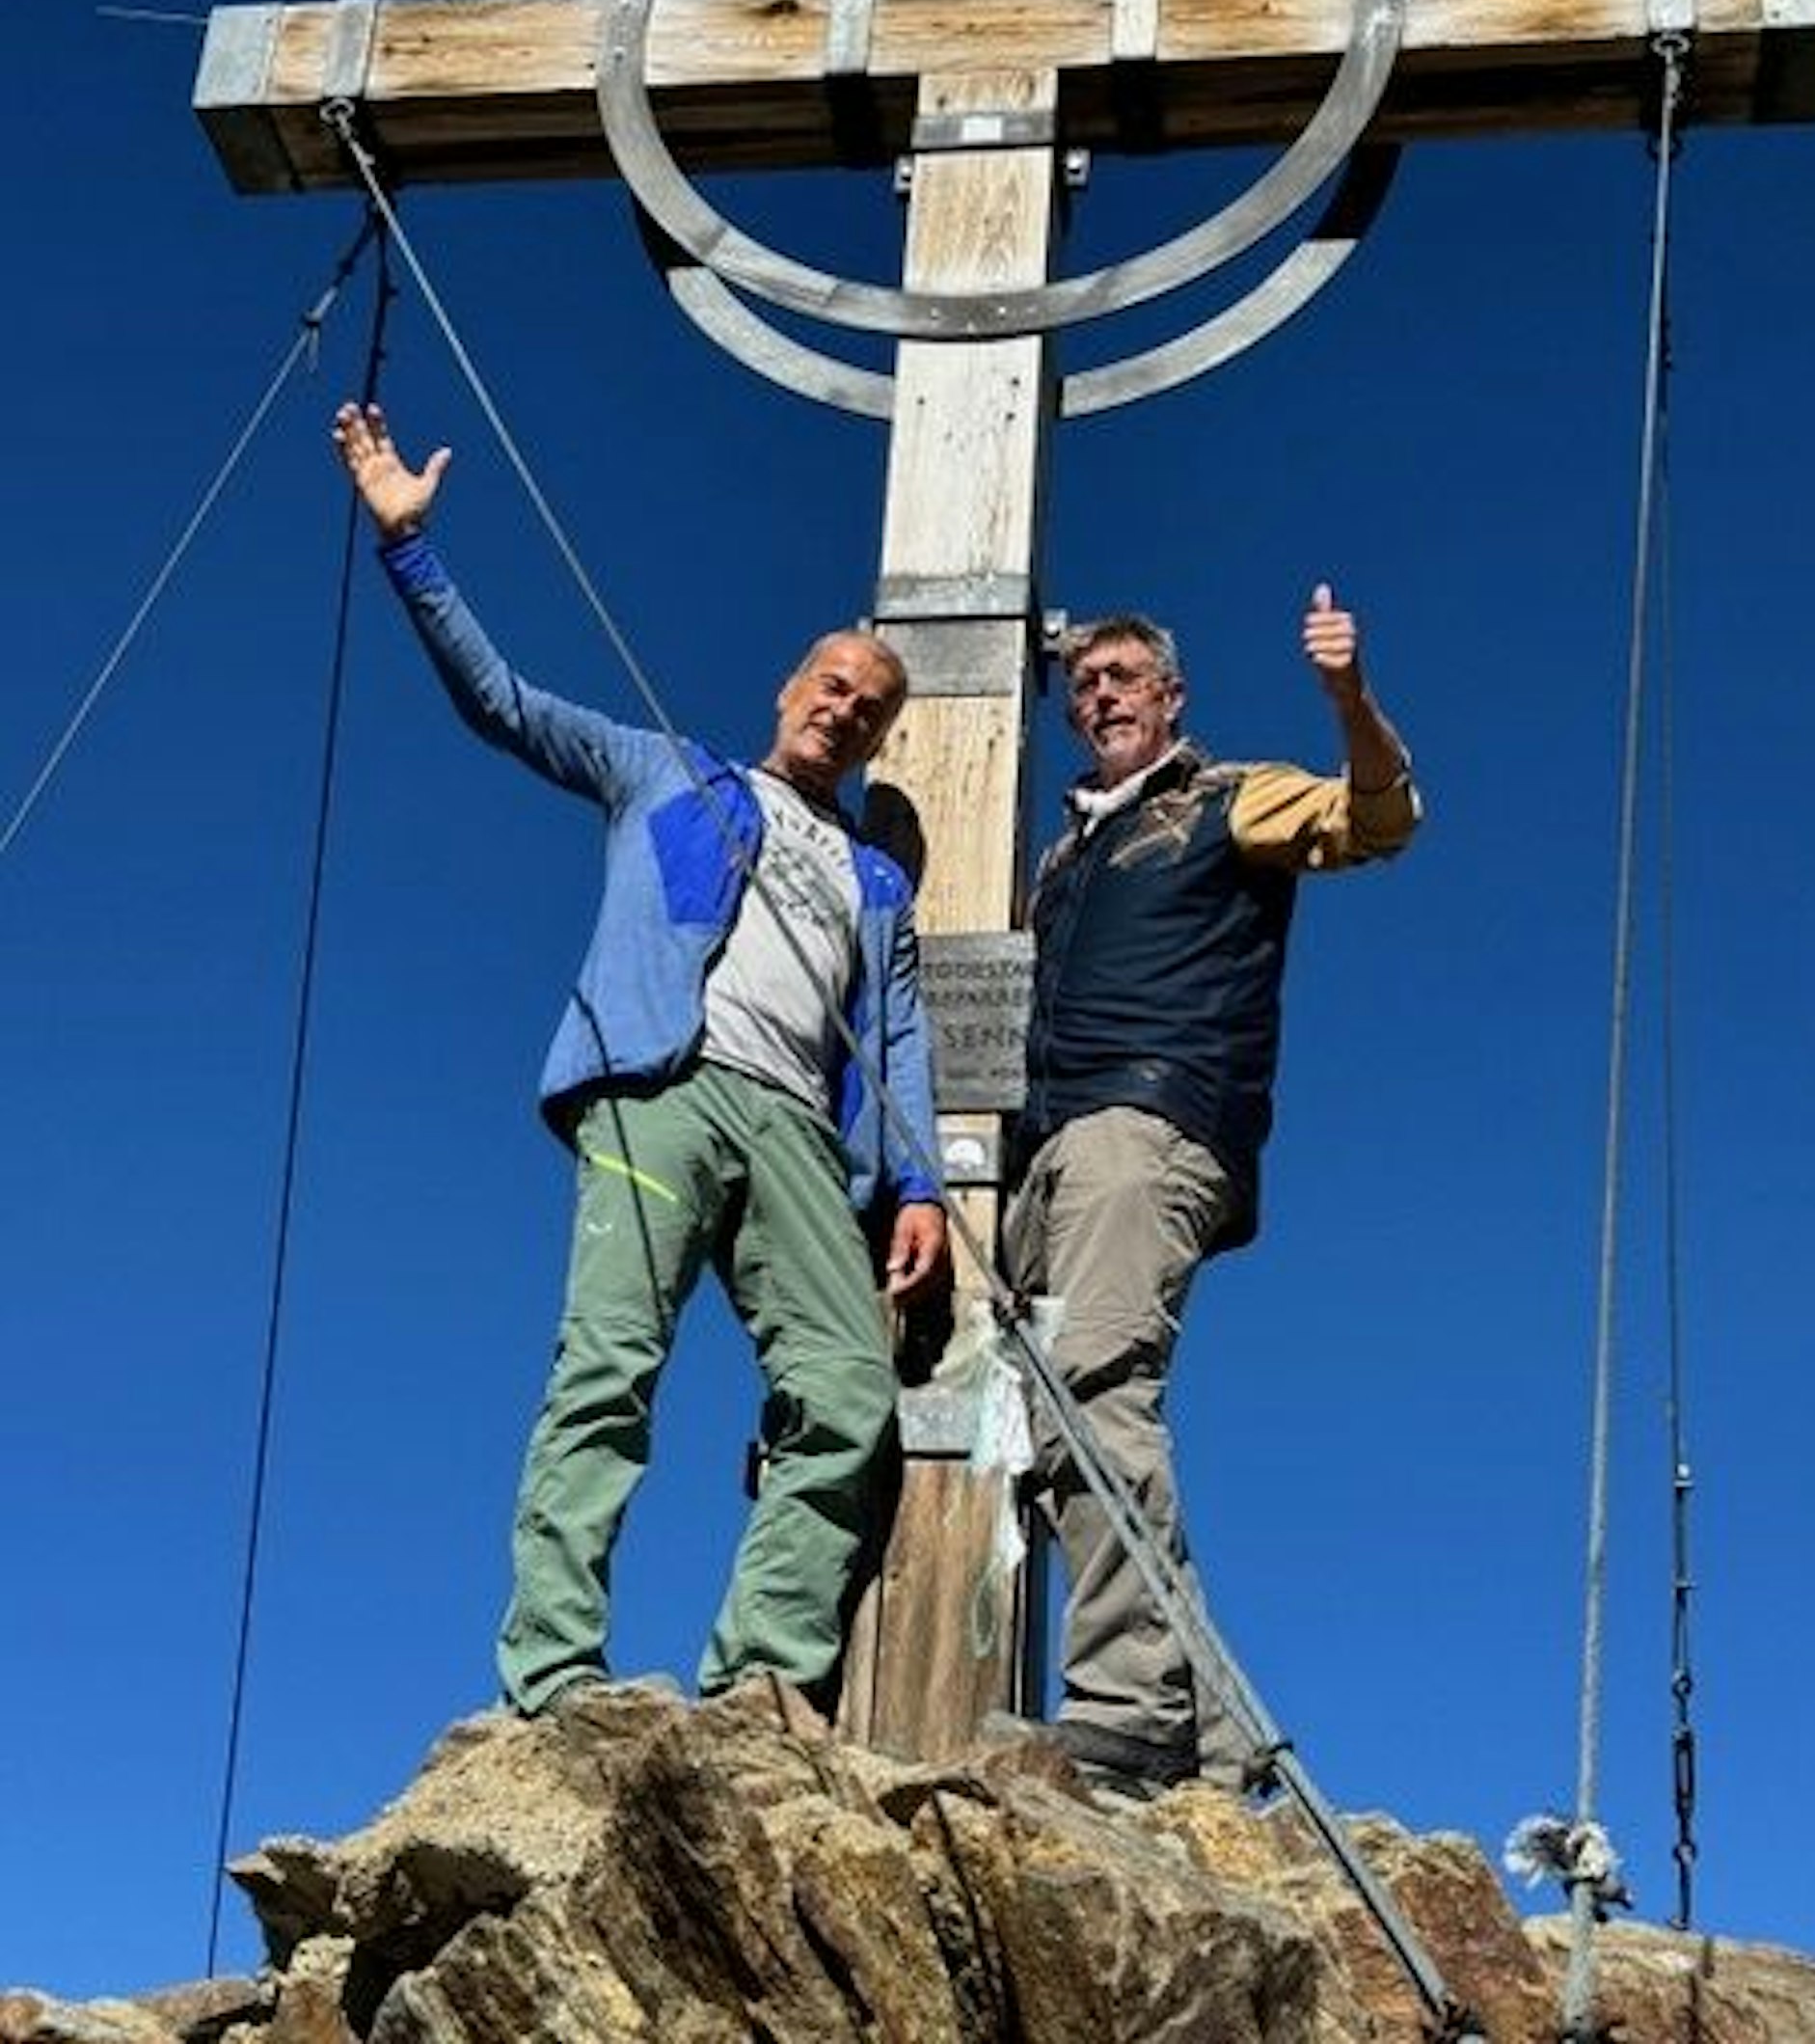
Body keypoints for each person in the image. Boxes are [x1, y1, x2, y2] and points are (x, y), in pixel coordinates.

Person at [332, 400, 947, 1720]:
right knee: (609, 1363)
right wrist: (411, 552)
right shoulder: (661, 770)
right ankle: (555, 1674)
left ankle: (763, 1683)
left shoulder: (875, 877)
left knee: (848, 1394)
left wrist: (919, 1188)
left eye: (872, 707)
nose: (846, 710)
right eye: (831, 685)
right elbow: (501, 704)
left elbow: (894, 1039)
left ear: (883, 740)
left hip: (798, 1132)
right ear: (790, 688)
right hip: (662, 1093)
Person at [1008, 586, 1419, 1794]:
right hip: (1051, 1150)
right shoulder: (1060, 854)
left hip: (1147, 1123)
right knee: (1062, 1420)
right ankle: (1218, 1737)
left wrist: (1347, 695)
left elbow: (1379, 818)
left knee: (1092, 1392)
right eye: (1085, 683)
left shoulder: (1227, 796)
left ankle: (1129, 1702)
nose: (1102, 694)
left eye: (1124, 674)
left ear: (1170, 695)